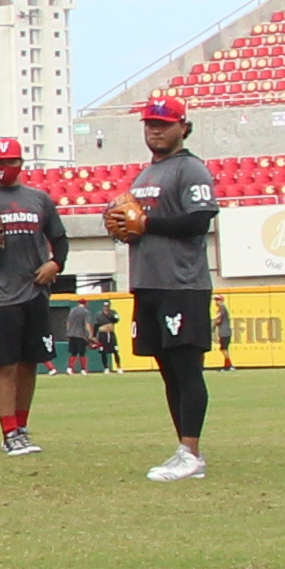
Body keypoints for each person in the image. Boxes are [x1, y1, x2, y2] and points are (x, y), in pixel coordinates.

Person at [108, 93, 220, 481]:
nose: (155, 130)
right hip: (149, 282)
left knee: (187, 367)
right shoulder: (145, 175)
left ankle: (190, 452)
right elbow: (135, 224)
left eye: (164, 124)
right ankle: (185, 450)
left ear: (182, 127)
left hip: (182, 283)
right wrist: (123, 226)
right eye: (150, 124)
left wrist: (147, 225)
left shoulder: (190, 170)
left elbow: (199, 220)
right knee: (168, 370)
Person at [0, 135, 77, 457]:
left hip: (35, 291)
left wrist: (56, 263)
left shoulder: (38, 199)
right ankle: (9, 431)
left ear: (21, 164)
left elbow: (60, 239)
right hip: (0, 295)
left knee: (29, 364)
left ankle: (21, 426)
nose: (4, 168)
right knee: (4, 365)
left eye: (10, 162)